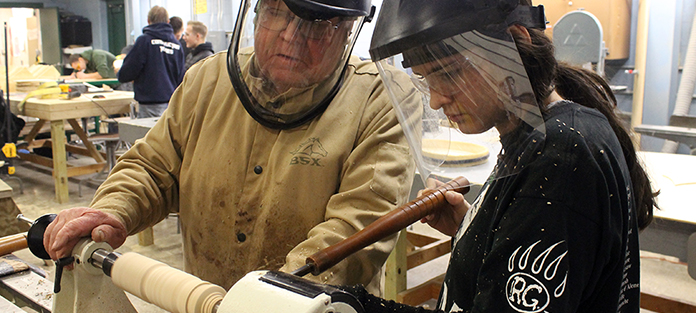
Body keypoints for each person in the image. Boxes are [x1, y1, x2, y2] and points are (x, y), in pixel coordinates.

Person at [43, 0, 418, 294]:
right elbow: (152, 168)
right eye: (276, 12)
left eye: (317, 25)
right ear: (253, 15)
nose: (291, 35)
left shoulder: (382, 99)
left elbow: (359, 225)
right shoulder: (207, 80)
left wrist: (272, 297)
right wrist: (113, 210)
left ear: (348, 29)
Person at [335, 0, 657, 312]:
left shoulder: (561, 156)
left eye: (448, 73)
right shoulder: (543, 136)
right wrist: (475, 229)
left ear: (515, 42)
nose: (435, 100)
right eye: (425, 79)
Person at [117, 6, 185, 118]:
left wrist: (121, 75)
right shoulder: (177, 46)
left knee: (149, 133)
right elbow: (181, 76)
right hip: (172, 104)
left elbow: (129, 70)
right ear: (168, 22)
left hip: (150, 103)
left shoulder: (144, 41)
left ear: (148, 21)